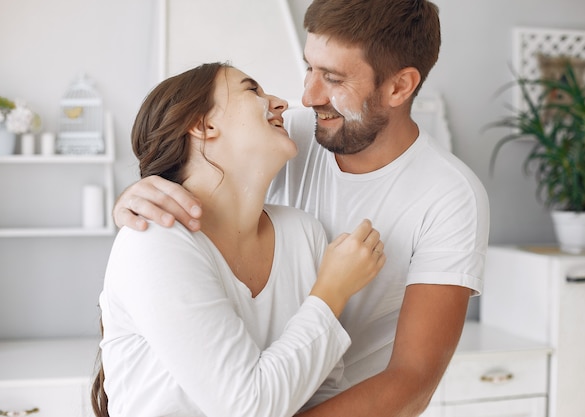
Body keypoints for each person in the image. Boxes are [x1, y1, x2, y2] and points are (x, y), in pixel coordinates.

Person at [113, 0, 490, 415]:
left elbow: (411, 381)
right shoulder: (291, 135)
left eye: (332, 78)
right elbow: (201, 168)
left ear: (399, 87)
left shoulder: (450, 197)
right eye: (309, 67)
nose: (306, 97)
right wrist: (142, 197)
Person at [93, 62, 387, 417]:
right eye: (253, 90)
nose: (280, 103)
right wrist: (331, 292)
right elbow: (247, 406)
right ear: (204, 125)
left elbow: (320, 391)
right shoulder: (154, 240)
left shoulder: (302, 232)